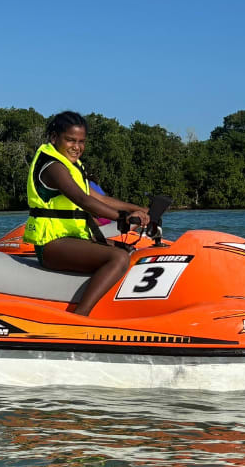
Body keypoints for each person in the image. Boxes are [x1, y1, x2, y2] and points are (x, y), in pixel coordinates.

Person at [23, 111, 150, 316]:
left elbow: (98, 197)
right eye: (70, 140)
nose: (77, 147)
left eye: (81, 141)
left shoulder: (71, 166)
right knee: (118, 258)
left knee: (129, 250)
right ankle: (80, 315)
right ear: (54, 138)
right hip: (51, 245)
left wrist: (138, 209)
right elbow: (84, 201)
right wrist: (121, 217)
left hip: (71, 239)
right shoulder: (53, 167)